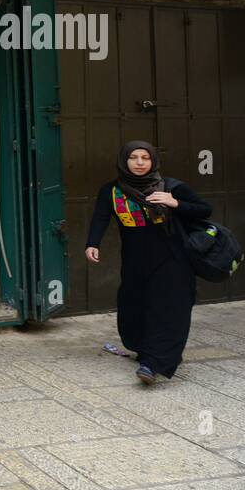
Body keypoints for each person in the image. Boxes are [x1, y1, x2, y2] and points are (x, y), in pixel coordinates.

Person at [85, 140, 211, 384]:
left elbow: (205, 209)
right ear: (124, 161)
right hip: (135, 262)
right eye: (134, 157)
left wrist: (175, 203)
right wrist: (92, 243)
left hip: (173, 259)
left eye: (146, 157)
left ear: (153, 160)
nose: (140, 163)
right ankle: (150, 351)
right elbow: (100, 218)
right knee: (134, 308)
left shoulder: (170, 187)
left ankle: (153, 364)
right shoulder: (111, 191)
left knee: (168, 310)